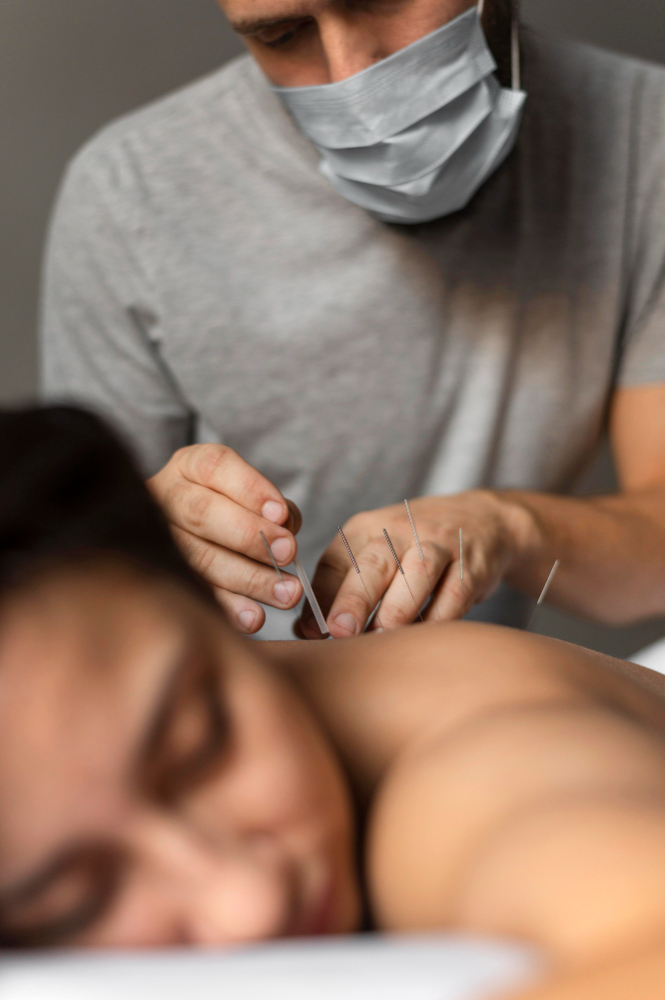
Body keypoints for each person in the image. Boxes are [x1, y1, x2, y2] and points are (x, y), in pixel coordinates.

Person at [40, 0, 665, 641]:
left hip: (473, 696)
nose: (352, 80)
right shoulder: (126, 197)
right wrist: (138, 539)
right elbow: (68, 601)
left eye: (381, 1)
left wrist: (507, 528)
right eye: (282, 35)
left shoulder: (647, 142)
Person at [3, 405, 665, 1000]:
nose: (249, 905)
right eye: (78, 901)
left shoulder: (467, 775)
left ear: (207, 604)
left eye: (203, 740)